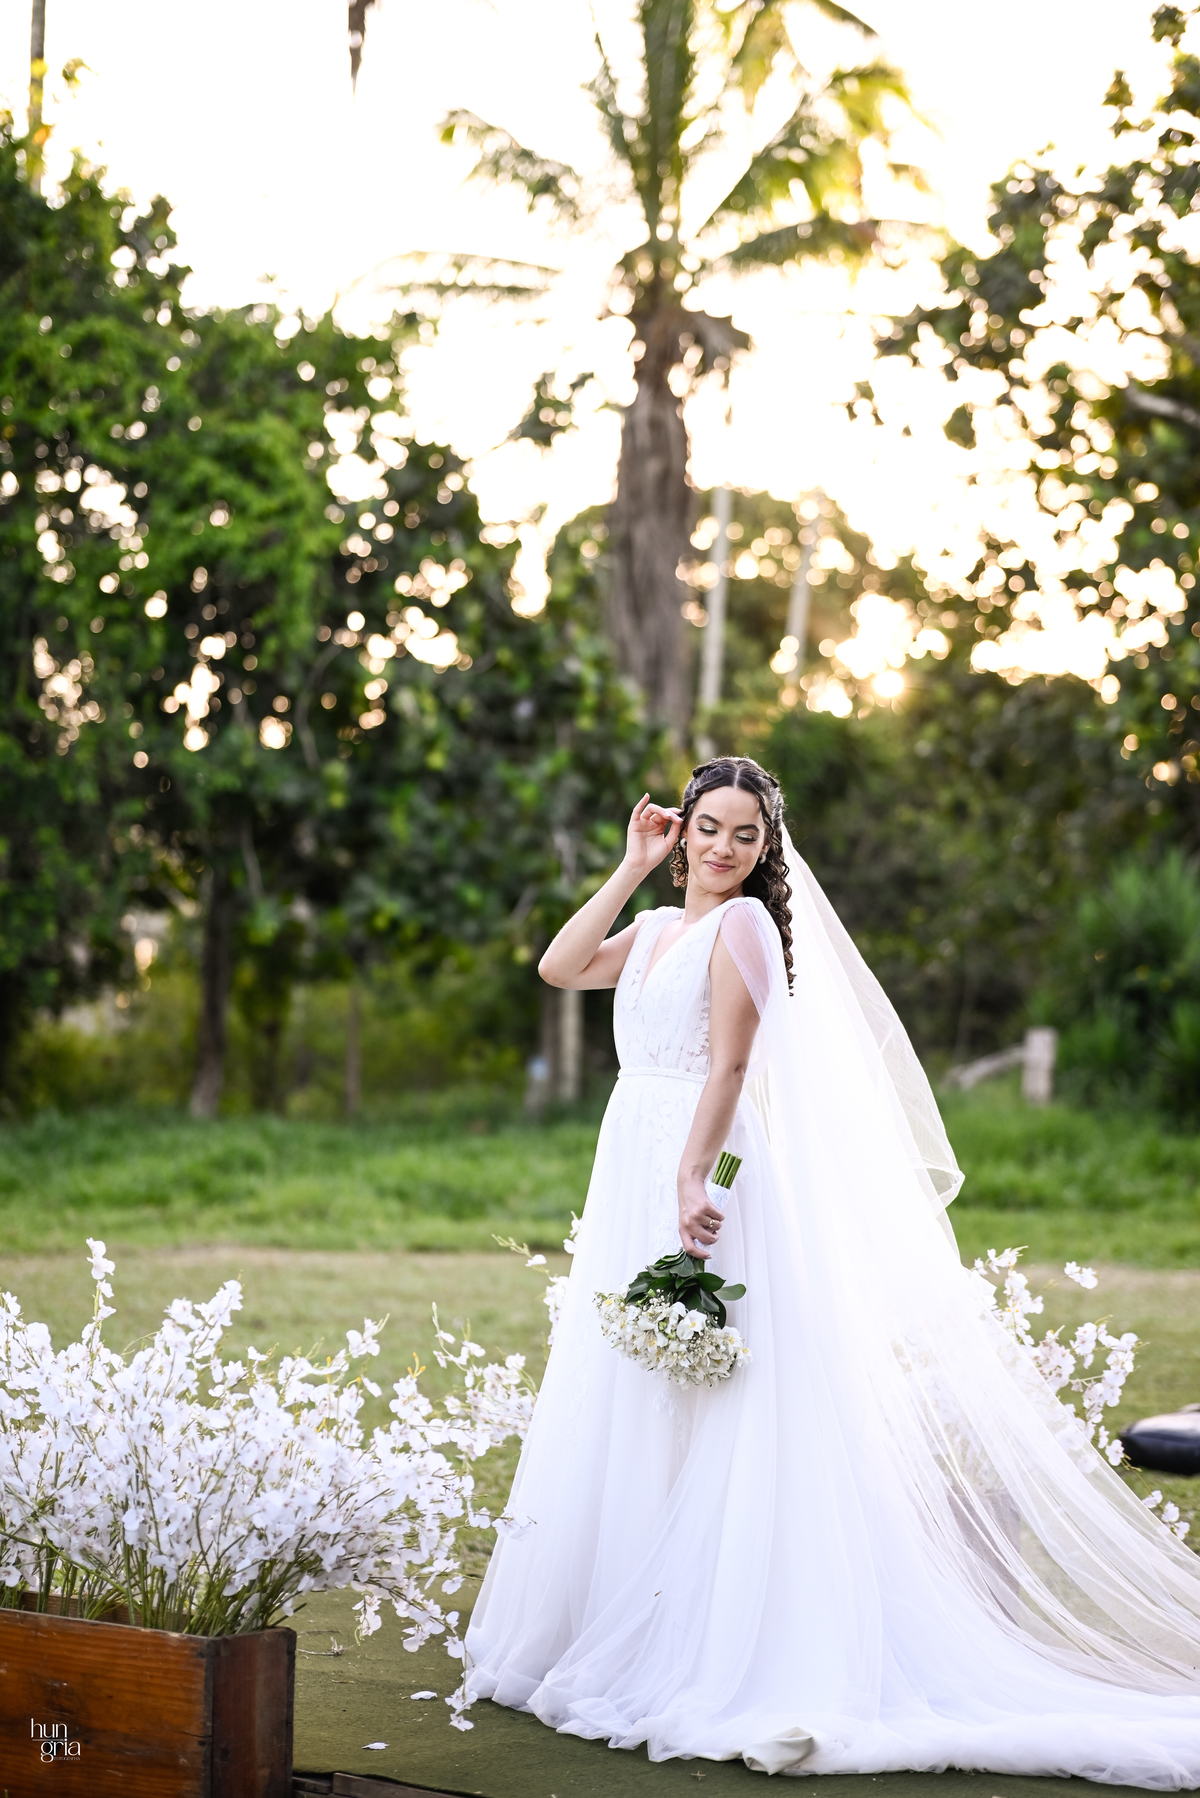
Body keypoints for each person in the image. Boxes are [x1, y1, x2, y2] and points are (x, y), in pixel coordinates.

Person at [466, 756, 1200, 1784]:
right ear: (681, 829)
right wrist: (631, 867)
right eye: (707, 827)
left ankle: (723, 1634)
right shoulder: (661, 925)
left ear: (767, 848)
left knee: (721, 1385)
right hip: (631, 1152)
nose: (723, 848)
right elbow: (559, 964)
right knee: (638, 1381)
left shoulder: (744, 927)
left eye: (745, 835)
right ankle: (633, 1611)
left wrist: (692, 1175)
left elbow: (731, 1065)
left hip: (696, 1163)